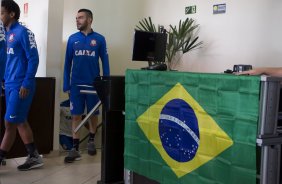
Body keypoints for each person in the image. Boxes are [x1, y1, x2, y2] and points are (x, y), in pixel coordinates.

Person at [0, 0, 43, 170]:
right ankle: (34, 156)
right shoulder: (6, 33)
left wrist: (26, 83)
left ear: (12, 14)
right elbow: (8, 61)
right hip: (9, 84)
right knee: (19, 121)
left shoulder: (24, 32)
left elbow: (34, 59)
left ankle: (1, 156)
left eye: (2, 13)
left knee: (10, 123)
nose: (0, 16)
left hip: (21, 85)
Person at [63, 8, 110, 163]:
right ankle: (75, 148)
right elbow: (67, 63)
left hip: (94, 84)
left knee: (93, 115)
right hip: (76, 84)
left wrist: (106, 83)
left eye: (81, 17)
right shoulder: (72, 39)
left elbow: (105, 62)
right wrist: (66, 84)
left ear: (89, 19)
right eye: (76, 18)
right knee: (76, 114)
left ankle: (91, 140)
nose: (77, 20)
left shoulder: (100, 39)